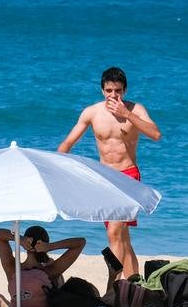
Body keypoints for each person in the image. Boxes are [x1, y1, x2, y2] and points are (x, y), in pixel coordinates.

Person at [57, 66, 161, 280]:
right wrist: (57, 170)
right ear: (102, 90)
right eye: (109, 91)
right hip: (104, 180)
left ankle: (113, 286)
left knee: (114, 233)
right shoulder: (92, 112)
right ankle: (134, 284)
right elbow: (68, 143)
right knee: (122, 237)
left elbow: (155, 134)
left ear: (125, 90)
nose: (113, 95)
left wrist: (127, 114)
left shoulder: (135, 109)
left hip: (128, 176)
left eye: (118, 91)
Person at [0, 226, 86, 307]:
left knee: (3, 301)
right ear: (45, 243)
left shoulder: (13, 269)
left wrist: (19, 239)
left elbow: (0, 234)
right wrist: (51, 247)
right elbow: (80, 243)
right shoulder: (50, 271)